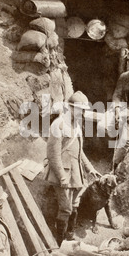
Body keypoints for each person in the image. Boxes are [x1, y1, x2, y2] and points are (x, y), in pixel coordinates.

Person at [45, 91, 100, 245]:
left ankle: (70, 234)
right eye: (80, 109)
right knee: (65, 208)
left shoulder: (76, 125)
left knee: (74, 205)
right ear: (70, 108)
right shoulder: (58, 125)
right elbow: (53, 155)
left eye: (84, 110)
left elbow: (79, 150)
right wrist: (62, 176)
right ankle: (60, 241)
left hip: (76, 173)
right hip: (62, 174)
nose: (83, 113)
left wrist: (90, 168)